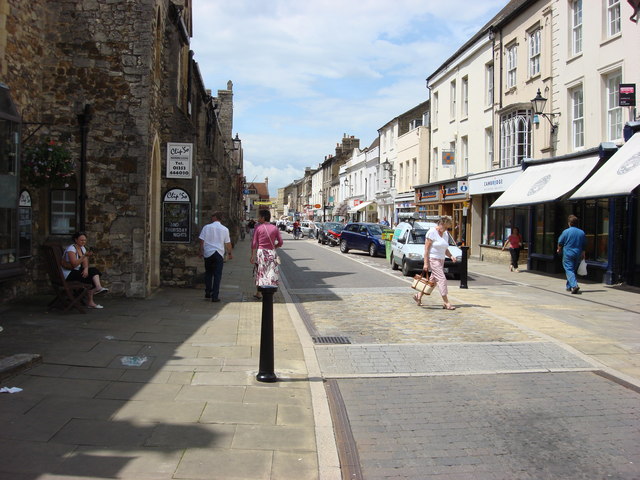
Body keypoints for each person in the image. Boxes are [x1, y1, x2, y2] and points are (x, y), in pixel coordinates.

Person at [413, 216, 457, 310]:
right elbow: (426, 249)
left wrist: (451, 256)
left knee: (432, 282)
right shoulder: (432, 232)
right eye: (445, 227)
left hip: (441, 260)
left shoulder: (445, 234)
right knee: (442, 279)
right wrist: (426, 263)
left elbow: (444, 248)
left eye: (447, 228)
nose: (446, 229)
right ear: (441, 224)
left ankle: (418, 296)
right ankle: (446, 302)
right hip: (433, 259)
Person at [61, 232, 108, 309]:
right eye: (81, 240)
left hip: (76, 271)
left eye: (85, 240)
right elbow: (74, 264)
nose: (83, 242)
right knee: (90, 277)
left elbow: (85, 263)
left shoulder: (82, 248)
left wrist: (86, 269)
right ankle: (91, 299)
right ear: (76, 240)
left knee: (93, 271)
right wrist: (84, 256)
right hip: (68, 273)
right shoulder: (71, 249)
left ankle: (98, 287)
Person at [199, 212, 233, 302]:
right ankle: (215, 296)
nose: (211, 218)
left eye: (212, 217)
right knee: (217, 275)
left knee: (208, 273)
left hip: (208, 253)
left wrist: (201, 251)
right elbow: (228, 243)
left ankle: (207, 292)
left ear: (214, 218)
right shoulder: (225, 229)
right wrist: (230, 253)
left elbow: (202, 241)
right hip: (218, 253)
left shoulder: (206, 227)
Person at [250, 209, 283, 300]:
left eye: (259, 217)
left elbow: (254, 243)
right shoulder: (275, 228)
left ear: (263, 218)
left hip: (261, 252)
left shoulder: (258, 228)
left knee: (260, 271)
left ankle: (259, 292)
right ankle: (270, 294)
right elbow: (280, 242)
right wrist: (273, 247)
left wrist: (252, 255)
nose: (258, 218)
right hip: (271, 252)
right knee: (271, 272)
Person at [557, 214, 586, 294]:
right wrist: (583, 253)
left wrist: (559, 249)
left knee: (569, 269)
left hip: (568, 253)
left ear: (569, 223)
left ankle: (574, 286)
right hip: (578, 253)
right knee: (572, 270)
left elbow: (560, 242)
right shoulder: (581, 232)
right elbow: (584, 244)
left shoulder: (566, 232)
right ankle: (568, 286)